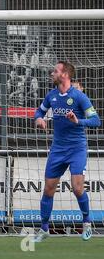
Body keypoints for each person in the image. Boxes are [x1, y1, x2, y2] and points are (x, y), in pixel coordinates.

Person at [32, 61, 101, 242]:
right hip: (58, 149)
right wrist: (39, 119)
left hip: (77, 148)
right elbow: (39, 111)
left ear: (65, 75)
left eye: (55, 71)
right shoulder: (52, 95)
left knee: (77, 188)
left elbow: (96, 120)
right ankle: (44, 229)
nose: (52, 73)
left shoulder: (79, 97)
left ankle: (86, 223)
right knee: (48, 189)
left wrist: (78, 121)